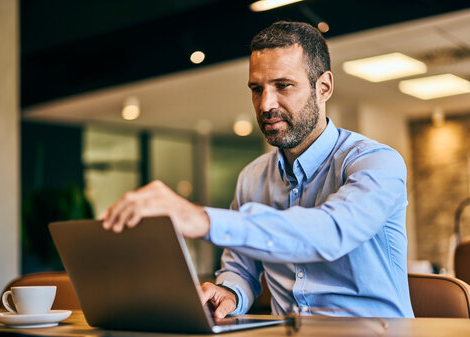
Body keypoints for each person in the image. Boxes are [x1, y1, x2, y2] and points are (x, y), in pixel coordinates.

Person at [101, 21, 414, 319]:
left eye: (283, 86)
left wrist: (203, 219)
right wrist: (230, 292)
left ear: (324, 87)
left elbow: (331, 231)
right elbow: (241, 268)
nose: (265, 105)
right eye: (256, 88)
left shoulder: (376, 162)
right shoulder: (252, 177)